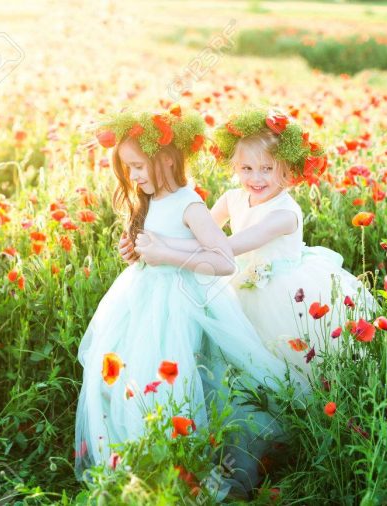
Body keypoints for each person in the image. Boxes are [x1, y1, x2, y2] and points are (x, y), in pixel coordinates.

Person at [75, 108, 309, 499]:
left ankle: (188, 460)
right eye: (127, 169)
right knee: (135, 372)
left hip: (182, 304)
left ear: (165, 160)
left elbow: (222, 257)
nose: (132, 177)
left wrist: (166, 252)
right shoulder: (152, 200)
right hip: (143, 299)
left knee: (186, 372)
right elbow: (159, 241)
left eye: (137, 167)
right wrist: (135, 248)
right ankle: (142, 460)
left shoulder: (191, 204)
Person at [120, 107, 376, 379]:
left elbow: (226, 247)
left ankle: (304, 398)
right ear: (235, 167)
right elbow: (201, 238)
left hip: (281, 290)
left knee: (286, 354)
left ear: (287, 168)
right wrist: (145, 242)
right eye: (247, 169)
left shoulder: (283, 215)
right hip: (238, 281)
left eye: (267, 169)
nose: (255, 178)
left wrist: (164, 246)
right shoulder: (233, 198)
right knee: (243, 354)